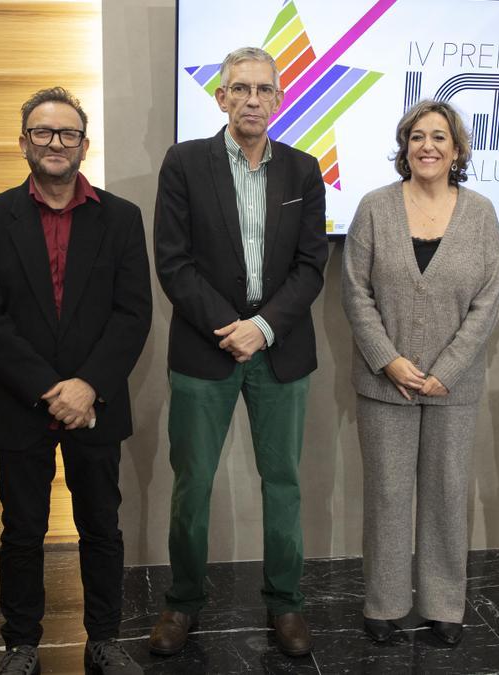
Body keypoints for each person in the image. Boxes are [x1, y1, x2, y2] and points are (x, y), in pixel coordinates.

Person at [0, 87, 151, 675]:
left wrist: (88, 386)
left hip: (96, 402)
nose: (55, 143)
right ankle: (20, 645)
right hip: (22, 403)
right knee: (22, 530)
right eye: (42, 133)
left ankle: (105, 639)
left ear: (83, 145)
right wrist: (52, 390)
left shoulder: (121, 218)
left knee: (101, 526)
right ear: (23, 143)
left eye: (67, 133)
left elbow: (132, 313)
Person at [149, 46, 328, 658]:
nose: (252, 99)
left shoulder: (304, 170)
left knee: (283, 483)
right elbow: (172, 261)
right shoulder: (184, 163)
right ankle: (182, 601)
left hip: (280, 353)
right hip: (206, 349)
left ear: (279, 99)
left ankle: (285, 605)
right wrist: (232, 326)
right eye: (240, 89)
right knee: (191, 484)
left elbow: (311, 266)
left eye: (264, 89)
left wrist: (264, 328)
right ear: (221, 97)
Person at [341, 100, 499, 646]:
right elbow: (356, 292)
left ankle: (443, 606)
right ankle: (384, 604)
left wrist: (449, 369)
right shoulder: (373, 207)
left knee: (445, 495)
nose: (427, 146)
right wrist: (388, 360)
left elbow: (489, 300)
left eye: (439, 137)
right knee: (387, 495)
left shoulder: (480, 213)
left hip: (452, 390)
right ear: (403, 146)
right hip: (383, 385)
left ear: (457, 149)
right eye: (416, 136)